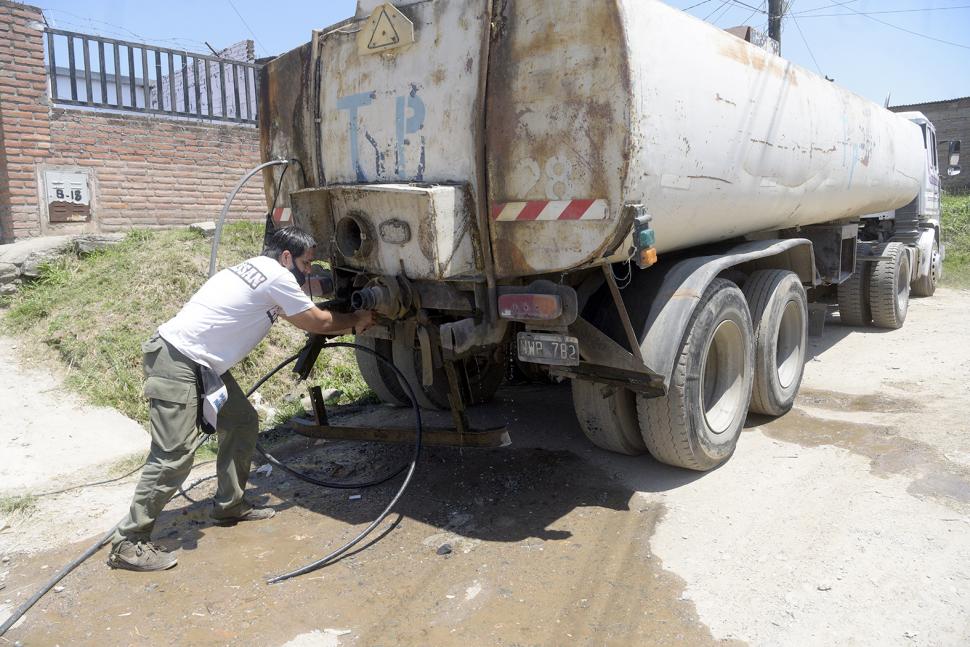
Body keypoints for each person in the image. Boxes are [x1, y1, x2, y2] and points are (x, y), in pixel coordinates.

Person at [108, 226, 374, 572]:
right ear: (286, 258)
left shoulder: (254, 269)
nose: (309, 271)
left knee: (242, 421)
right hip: (178, 360)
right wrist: (357, 320)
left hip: (201, 364)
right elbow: (316, 321)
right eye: (307, 264)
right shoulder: (277, 276)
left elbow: (304, 299)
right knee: (173, 455)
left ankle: (229, 506)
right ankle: (128, 542)